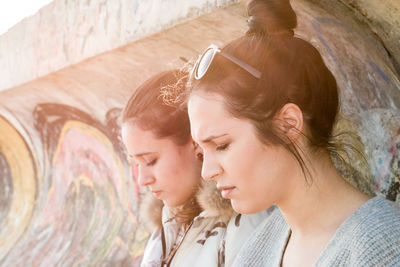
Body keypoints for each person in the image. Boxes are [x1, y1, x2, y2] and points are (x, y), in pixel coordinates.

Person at [185, 0, 400, 266]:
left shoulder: (384, 248)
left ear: (288, 124)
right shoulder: (262, 243)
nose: (207, 172)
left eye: (221, 145)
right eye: (200, 151)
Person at [121, 70, 265, 267]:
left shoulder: (248, 223)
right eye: (136, 164)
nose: (142, 179)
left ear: (195, 143)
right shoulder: (165, 228)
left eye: (150, 160)